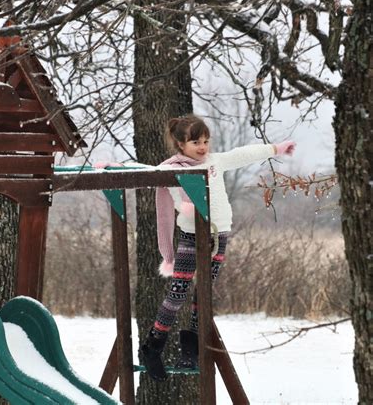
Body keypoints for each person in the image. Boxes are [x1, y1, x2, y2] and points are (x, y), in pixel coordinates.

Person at [94, 115, 296, 382]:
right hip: (191, 236)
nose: (203, 147)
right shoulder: (173, 167)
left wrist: (276, 148)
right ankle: (153, 346)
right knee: (178, 293)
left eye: (205, 141)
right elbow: (147, 175)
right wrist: (116, 169)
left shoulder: (215, 161)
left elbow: (242, 154)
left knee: (204, 294)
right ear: (180, 144)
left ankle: (191, 350)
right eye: (195, 142)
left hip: (218, 235)